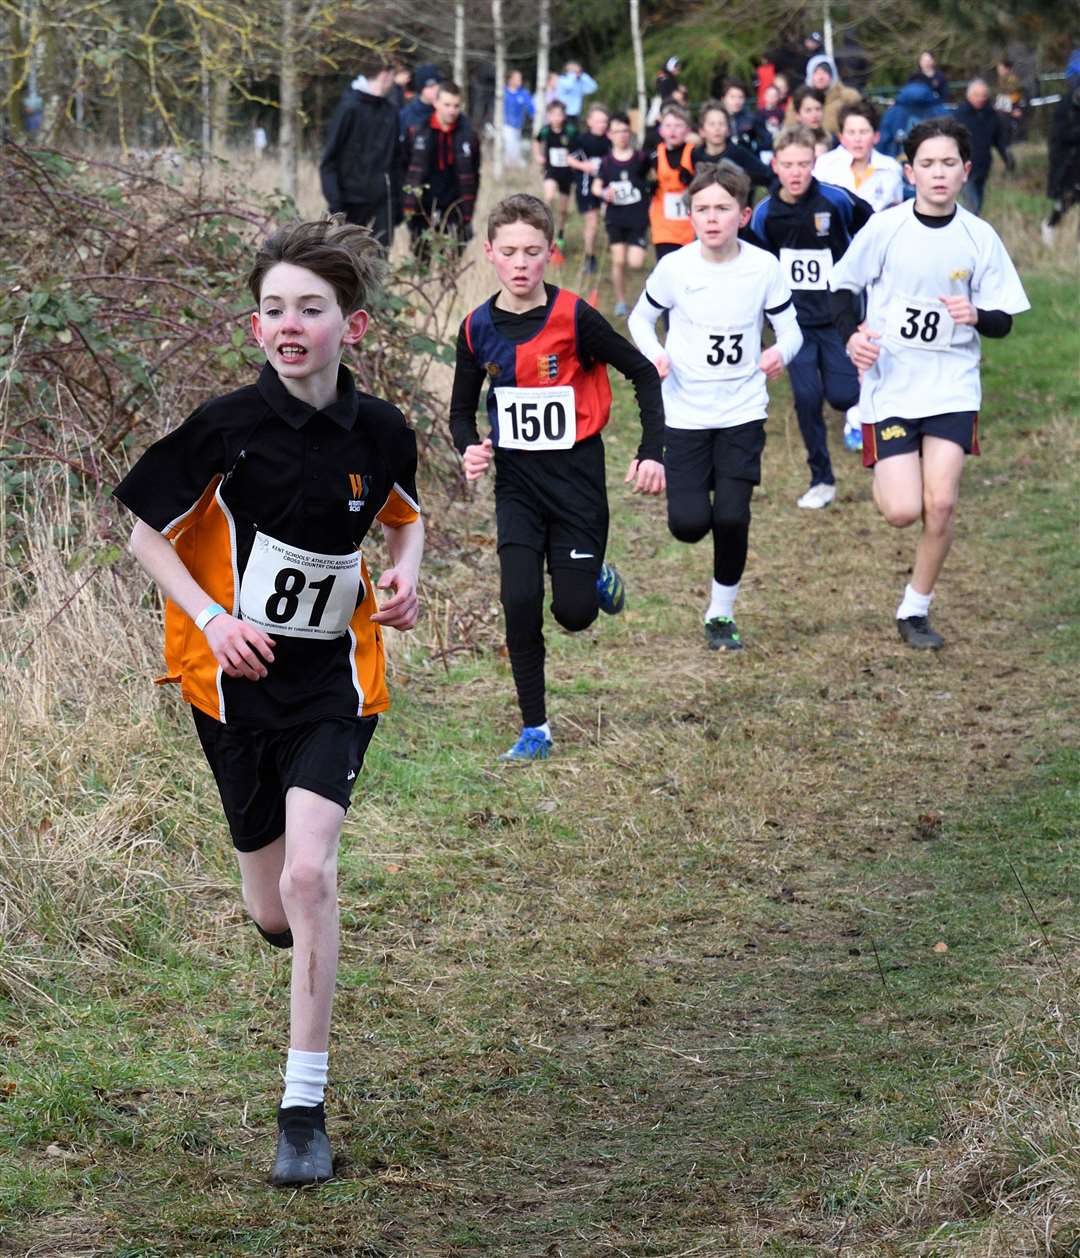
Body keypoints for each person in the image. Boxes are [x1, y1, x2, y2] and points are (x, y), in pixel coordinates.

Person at [112, 218, 424, 1185]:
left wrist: (406, 577)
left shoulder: (381, 431)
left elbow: (406, 518)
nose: (290, 325)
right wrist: (211, 618)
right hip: (234, 689)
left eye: (311, 310)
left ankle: (302, 1108)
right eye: (275, 309)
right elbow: (139, 534)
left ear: (352, 325)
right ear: (257, 328)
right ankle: (300, 938)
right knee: (272, 905)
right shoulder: (225, 426)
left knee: (309, 879)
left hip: (335, 682)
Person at [449, 194, 665, 760]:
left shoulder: (575, 318)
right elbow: (459, 412)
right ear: (490, 253)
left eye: (533, 252)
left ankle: (593, 575)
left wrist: (651, 451)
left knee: (572, 614)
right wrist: (471, 447)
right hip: (517, 486)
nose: (521, 264)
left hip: (576, 484)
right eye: (510, 252)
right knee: (518, 600)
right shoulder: (475, 330)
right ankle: (535, 729)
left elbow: (642, 374)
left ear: (552, 254)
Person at [828, 116, 1029, 650]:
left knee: (941, 505)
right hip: (891, 383)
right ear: (910, 172)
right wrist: (852, 338)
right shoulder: (886, 227)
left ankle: (915, 608)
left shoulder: (979, 237)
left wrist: (977, 316)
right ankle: (886, 466)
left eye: (948, 164)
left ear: (966, 171)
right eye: (927, 164)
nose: (938, 174)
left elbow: (1006, 318)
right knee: (902, 511)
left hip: (952, 384)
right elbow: (840, 290)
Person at [628, 164, 802, 651]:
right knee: (687, 526)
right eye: (701, 209)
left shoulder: (763, 267)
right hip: (684, 413)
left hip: (742, 411)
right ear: (690, 216)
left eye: (722, 208)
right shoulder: (676, 268)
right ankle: (694, 501)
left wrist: (778, 353)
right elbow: (642, 320)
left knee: (731, 516)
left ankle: (720, 614)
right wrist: (655, 353)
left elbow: (791, 330)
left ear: (743, 215)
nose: (711, 218)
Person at [750, 125, 872, 507]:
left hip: (838, 318)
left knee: (843, 396)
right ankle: (822, 479)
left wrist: (858, 276)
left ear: (814, 163)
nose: (796, 172)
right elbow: (758, 261)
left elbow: (872, 229)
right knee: (806, 397)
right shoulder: (766, 214)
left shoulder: (836, 201)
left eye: (803, 164)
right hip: (794, 323)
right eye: (787, 164)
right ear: (775, 165)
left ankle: (871, 417)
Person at [319, 57, 404, 248]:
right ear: (384, 75)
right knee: (349, 263)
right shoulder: (349, 109)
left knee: (379, 262)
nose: (394, 82)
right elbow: (329, 161)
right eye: (392, 76)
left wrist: (396, 205)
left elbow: (397, 161)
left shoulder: (391, 112)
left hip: (383, 204)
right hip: (350, 204)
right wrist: (336, 204)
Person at [403, 81, 481, 265]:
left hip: (455, 205)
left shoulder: (468, 135)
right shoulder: (418, 131)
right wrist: (408, 204)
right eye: (447, 105)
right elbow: (405, 166)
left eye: (456, 105)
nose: (452, 111)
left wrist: (468, 209)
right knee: (421, 258)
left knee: (453, 261)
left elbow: (475, 173)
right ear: (436, 103)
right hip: (423, 205)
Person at [593, 112, 651, 316]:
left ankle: (647, 295)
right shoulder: (607, 162)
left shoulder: (641, 158)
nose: (622, 135)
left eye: (625, 131)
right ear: (610, 135)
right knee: (618, 260)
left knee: (635, 263)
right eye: (617, 131)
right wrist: (603, 193)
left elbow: (652, 179)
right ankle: (620, 301)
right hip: (615, 217)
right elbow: (596, 186)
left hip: (638, 217)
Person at [813, 101, 904, 214]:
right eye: (851, 132)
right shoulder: (825, 164)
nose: (857, 139)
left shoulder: (891, 168)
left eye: (863, 132)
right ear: (841, 137)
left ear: (876, 136)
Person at [954, 79, 1014, 216]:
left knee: (978, 204)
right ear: (969, 96)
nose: (980, 99)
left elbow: (999, 140)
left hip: (983, 166)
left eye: (984, 96)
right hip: (964, 169)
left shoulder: (991, 115)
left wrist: (1007, 157)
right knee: (972, 208)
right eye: (977, 95)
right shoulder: (959, 115)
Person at [648, 104, 697, 262]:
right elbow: (636, 175)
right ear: (661, 130)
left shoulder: (694, 153)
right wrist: (647, 187)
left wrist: (692, 181)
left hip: (690, 225)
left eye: (678, 126)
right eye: (668, 126)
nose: (673, 130)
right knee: (667, 268)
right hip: (664, 224)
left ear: (687, 130)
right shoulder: (654, 155)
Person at [567, 103, 612, 274]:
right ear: (589, 122)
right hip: (586, 186)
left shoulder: (610, 141)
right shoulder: (581, 140)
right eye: (598, 121)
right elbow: (569, 159)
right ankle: (590, 257)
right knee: (592, 222)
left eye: (604, 122)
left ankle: (612, 252)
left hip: (607, 187)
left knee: (608, 220)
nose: (602, 125)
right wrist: (583, 166)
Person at [692, 101, 772, 192]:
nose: (717, 128)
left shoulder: (738, 153)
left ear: (728, 130)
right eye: (712, 124)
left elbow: (766, 175)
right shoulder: (695, 155)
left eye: (721, 124)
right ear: (702, 131)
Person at [534, 99, 579, 247]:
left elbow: (579, 146)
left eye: (559, 114)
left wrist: (575, 159)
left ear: (564, 116)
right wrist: (538, 155)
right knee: (549, 196)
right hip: (551, 170)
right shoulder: (545, 130)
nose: (556, 118)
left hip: (567, 173)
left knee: (563, 210)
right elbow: (536, 140)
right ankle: (546, 229)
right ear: (548, 116)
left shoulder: (570, 130)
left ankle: (560, 233)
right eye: (553, 115)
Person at [1041, 74, 1080, 245]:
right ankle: (1050, 225)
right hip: (1066, 164)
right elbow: (1059, 136)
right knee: (1065, 201)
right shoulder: (1064, 107)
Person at [788, 54, 860, 137]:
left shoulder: (847, 96)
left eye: (825, 73)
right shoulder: (799, 97)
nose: (820, 77)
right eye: (817, 73)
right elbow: (790, 125)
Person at [878, 80, 949, 161]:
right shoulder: (938, 110)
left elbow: (883, 141)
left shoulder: (893, 112)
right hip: (934, 160)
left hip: (898, 162)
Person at [503, 69, 536, 169]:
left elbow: (531, 109)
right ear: (510, 80)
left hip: (518, 127)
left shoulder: (523, 93)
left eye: (520, 78)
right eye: (517, 78)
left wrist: (534, 118)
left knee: (516, 152)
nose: (520, 80)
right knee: (511, 151)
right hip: (505, 127)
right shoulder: (503, 92)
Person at [399, 63, 442, 134]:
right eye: (431, 86)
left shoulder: (445, 110)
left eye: (438, 85)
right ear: (421, 89)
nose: (436, 90)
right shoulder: (407, 115)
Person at [752, 83, 787, 159]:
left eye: (774, 96)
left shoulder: (781, 113)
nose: (772, 98)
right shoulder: (759, 114)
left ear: (778, 97)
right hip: (764, 149)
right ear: (765, 96)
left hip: (779, 147)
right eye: (769, 95)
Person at [721, 81, 756, 147]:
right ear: (723, 99)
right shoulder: (718, 119)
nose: (737, 101)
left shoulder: (751, 118)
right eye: (732, 97)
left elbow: (764, 139)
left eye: (740, 97)